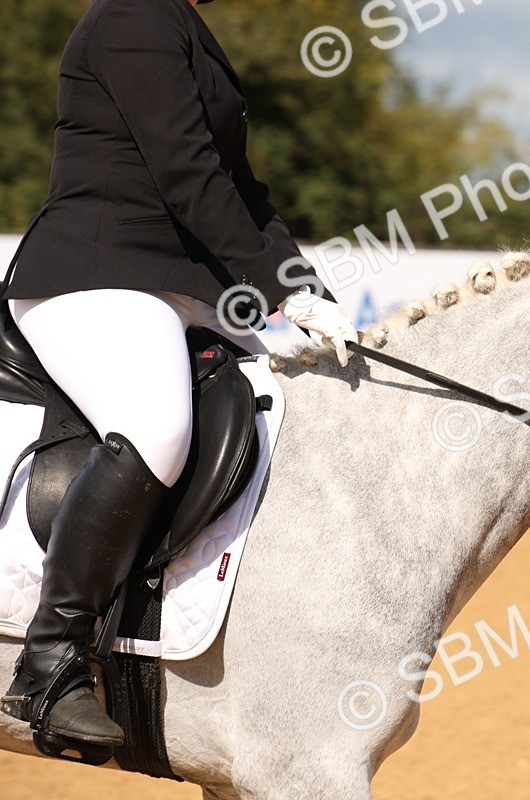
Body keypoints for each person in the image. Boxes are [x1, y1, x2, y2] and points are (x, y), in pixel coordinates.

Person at [0, 0, 356, 752]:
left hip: (183, 283)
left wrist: (306, 289)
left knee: (309, 405)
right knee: (157, 427)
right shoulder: (132, 16)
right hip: (96, 268)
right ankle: (50, 662)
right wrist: (275, 292)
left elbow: (241, 188)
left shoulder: (183, 23)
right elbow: (185, 169)